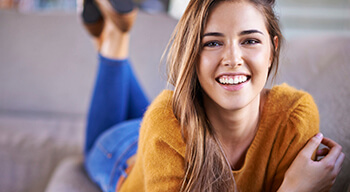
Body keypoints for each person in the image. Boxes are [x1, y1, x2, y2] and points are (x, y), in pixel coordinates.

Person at [80, 0, 345, 191]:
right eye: (213, 43)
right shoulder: (164, 122)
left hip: (164, 131)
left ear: (272, 50)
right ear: (193, 55)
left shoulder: (294, 116)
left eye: (250, 40)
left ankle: (110, 32)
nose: (232, 59)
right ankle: (116, 35)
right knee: (92, 149)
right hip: (121, 156)